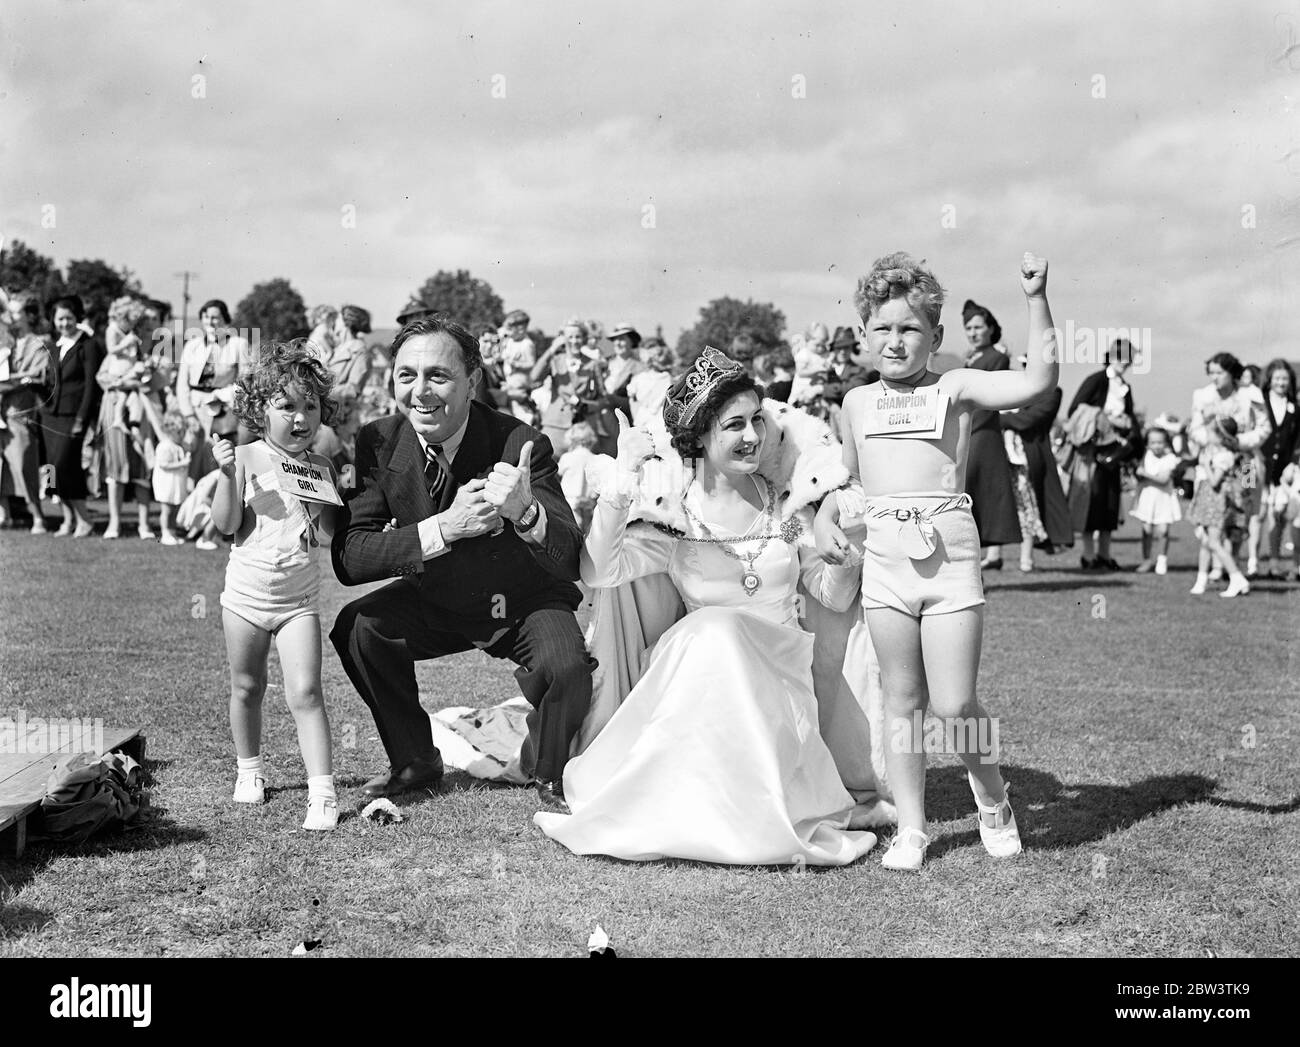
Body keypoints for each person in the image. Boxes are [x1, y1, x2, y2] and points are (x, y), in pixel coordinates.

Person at [534, 350, 885, 865]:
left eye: (758, 421)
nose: (752, 437)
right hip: (705, 679)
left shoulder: (786, 510)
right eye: (735, 425)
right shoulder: (677, 520)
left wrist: (845, 554)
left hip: (780, 681)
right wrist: (622, 477)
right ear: (699, 435)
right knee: (714, 631)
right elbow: (598, 572)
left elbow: (829, 596)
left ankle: (756, 810)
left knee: (718, 632)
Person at [815, 251, 1057, 872]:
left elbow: (1037, 385)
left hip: (949, 562)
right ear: (864, 335)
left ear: (937, 336)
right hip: (886, 565)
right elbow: (846, 483)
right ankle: (914, 829)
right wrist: (820, 520)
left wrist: (1035, 299)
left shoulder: (956, 389)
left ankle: (994, 799)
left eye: (911, 329)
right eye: (883, 329)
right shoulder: (855, 403)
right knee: (900, 701)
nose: (896, 341)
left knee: (953, 705)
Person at [330, 315, 593, 806]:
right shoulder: (378, 440)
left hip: (521, 601)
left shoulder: (520, 441)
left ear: (472, 381)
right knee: (359, 627)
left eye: (438, 376)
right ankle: (414, 762)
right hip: (437, 598)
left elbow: (570, 554)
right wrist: (445, 528)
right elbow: (350, 557)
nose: (420, 392)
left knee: (568, 667)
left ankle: (553, 773)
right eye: (407, 375)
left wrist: (525, 511)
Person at [210, 341, 342, 831]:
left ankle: (323, 792)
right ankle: (249, 770)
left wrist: (321, 496)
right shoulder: (243, 458)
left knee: (306, 692)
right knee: (246, 687)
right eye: (286, 406)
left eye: (310, 407)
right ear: (259, 409)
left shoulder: (321, 466)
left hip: (298, 602)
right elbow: (226, 525)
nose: (301, 418)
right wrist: (226, 476)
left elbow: (327, 536)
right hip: (244, 599)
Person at [1188, 352, 1271, 581]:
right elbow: (1194, 430)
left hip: (1246, 464)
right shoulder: (1203, 396)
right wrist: (1216, 441)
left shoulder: (1251, 396)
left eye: (1219, 372)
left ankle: (1231, 562)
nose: (1214, 377)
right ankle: (1216, 565)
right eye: (1211, 372)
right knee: (1211, 512)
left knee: (1243, 510)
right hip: (1213, 463)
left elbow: (1264, 428)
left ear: (1231, 373)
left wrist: (1240, 442)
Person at [1065, 340, 1141, 570]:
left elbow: (1131, 419)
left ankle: (1104, 555)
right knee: (1091, 502)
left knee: (1110, 504)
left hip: (1114, 455)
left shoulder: (1125, 387)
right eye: (1120, 357)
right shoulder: (1096, 380)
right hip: (1092, 453)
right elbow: (1075, 410)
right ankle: (1088, 556)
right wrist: (1107, 420)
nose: (1124, 363)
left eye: (1128, 359)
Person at [960, 300, 1022, 568]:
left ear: (990, 329)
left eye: (978, 327)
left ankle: (990, 552)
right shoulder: (971, 358)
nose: (973, 332)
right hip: (971, 428)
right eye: (968, 327)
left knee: (981, 487)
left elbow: (990, 398)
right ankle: (983, 552)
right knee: (973, 488)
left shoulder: (996, 357)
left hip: (982, 431)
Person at [997, 362, 1073, 569]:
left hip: (1026, 458)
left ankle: (1026, 558)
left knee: (1026, 504)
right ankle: (994, 555)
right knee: (996, 503)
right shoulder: (1011, 391)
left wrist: (998, 419)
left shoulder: (1051, 393)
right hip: (1000, 454)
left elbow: (1029, 420)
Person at [97, 296, 160, 540]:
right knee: (116, 462)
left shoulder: (151, 351)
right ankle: (114, 522)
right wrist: (122, 383)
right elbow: (102, 377)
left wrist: (142, 377)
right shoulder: (116, 349)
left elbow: (158, 380)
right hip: (114, 405)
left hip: (141, 406)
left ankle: (144, 523)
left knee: (141, 462)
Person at [40, 295, 104, 537]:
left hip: (72, 417)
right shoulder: (55, 346)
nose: (65, 323)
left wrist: (81, 419)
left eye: (69, 318)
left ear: (77, 318)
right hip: (50, 416)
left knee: (67, 467)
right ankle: (68, 519)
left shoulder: (89, 345)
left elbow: (91, 386)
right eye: (60, 318)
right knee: (52, 471)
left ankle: (85, 519)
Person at [0, 292, 51, 532]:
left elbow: (35, 377)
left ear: (29, 316)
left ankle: (38, 516)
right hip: (3, 411)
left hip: (21, 413)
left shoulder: (38, 343)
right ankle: (5, 514)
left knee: (23, 465)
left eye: (15, 311)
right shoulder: (7, 340)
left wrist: (9, 380)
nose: (10, 316)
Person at [1188, 416, 1250, 598]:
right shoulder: (1219, 452)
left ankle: (1236, 577)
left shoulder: (1225, 456)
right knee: (1207, 541)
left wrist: (1206, 464)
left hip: (1217, 500)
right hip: (1211, 498)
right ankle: (1202, 579)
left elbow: (1216, 481)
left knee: (1216, 541)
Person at [175, 299, 250, 440]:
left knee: (222, 454)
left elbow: (245, 382)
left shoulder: (238, 345)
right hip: (195, 410)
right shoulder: (192, 346)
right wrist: (188, 414)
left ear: (225, 319)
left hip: (224, 410)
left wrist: (226, 395)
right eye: (206, 317)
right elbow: (182, 384)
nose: (210, 322)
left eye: (215, 317)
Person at [1260, 359, 1299, 578]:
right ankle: (1251, 562)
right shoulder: (1259, 402)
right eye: (1277, 378)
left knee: (1281, 515)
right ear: (1270, 380)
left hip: (1283, 470)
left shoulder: (1294, 407)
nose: (1281, 383)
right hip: (1253, 466)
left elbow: (1297, 440)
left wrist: (1293, 463)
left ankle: (1274, 563)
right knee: (1253, 512)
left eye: (1285, 378)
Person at [1129, 427, 1182, 574]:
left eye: (1160, 442)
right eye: (1153, 442)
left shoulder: (1170, 459)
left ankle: (1162, 559)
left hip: (1163, 498)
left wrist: (1145, 475)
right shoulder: (1145, 456)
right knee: (1146, 530)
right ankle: (1146, 560)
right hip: (1147, 498)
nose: (1156, 446)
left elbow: (1164, 479)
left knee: (1163, 531)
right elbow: (1138, 474)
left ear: (1166, 443)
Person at [152, 409, 191, 545]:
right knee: (167, 510)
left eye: (184, 432)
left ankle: (172, 532)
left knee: (175, 509)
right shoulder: (164, 446)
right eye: (179, 433)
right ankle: (165, 532)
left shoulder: (180, 446)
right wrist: (182, 463)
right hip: (167, 484)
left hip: (176, 483)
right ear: (170, 431)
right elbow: (164, 464)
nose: (182, 436)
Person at [556, 420, 598, 532]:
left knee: (573, 530)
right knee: (588, 532)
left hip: (570, 499)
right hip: (588, 500)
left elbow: (558, 472)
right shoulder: (594, 458)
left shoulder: (568, 457)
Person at [499, 310, 537, 379]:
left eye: (509, 330)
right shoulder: (510, 341)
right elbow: (503, 355)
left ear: (521, 330)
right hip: (509, 379)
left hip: (521, 382)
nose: (507, 332)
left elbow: (531, 364)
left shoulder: (527, 344)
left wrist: (516, 364)